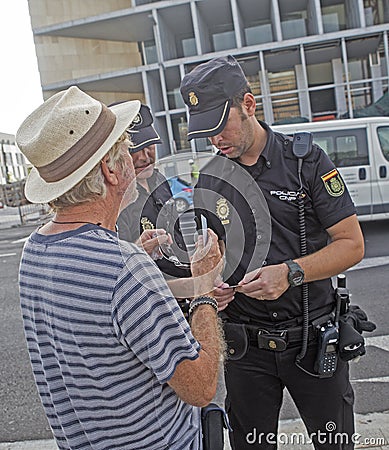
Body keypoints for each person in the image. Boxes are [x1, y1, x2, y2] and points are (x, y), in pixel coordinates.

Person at [16, 85, 224, 450]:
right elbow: (201, 387)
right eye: (126, 149)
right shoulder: (125, 270)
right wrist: (204, 285)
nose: (135, 156)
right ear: (110, 171)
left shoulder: (34, 251)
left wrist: (131, 258)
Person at [180, 55, 366, 449]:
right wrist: (216, 286)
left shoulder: (306, 162)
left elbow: (352, 244)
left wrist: (290, 273)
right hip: (246, 350)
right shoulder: (211, 178)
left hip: (311, 341)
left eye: (220, 125)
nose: (215, 140)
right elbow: (215, 258)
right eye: (206, 132)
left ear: (248, 105)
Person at [117, 103, 191, 281]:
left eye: (149, 145)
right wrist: (137, 252)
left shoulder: (160, 180)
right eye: (134, 149)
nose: (145, 156)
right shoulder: (115, 200)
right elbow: (116, 269)